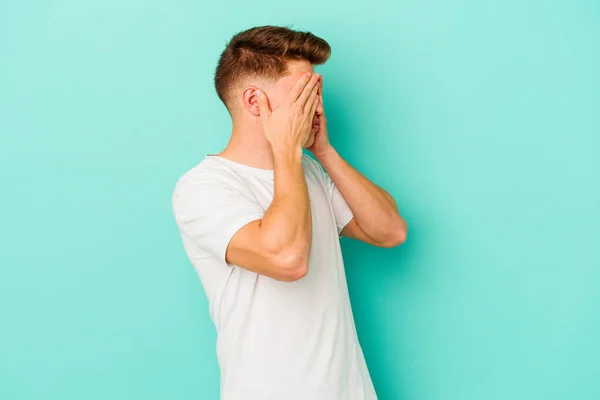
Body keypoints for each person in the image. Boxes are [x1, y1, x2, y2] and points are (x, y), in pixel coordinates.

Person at [172, 25, 408, 400]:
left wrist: (324, 152)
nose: (316, 104)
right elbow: (287, 260)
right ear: (254, 102)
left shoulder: (309, 170)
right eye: (303, 92)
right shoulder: (204, 187)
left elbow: (390, 231)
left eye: (317, 90)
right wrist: (287, 150)